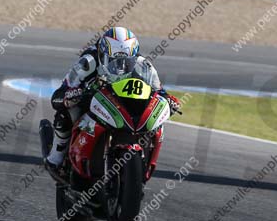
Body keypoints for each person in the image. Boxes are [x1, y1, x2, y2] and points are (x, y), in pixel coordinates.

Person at [44, 27, 181, 180]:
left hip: (123, 104)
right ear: (102, 54)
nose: (120, 67)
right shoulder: (88, 62)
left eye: (126, 62)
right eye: (113, 61)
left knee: (156, 123)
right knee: (65, 115)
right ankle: (55, 159)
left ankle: (144, 162)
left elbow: (159, 91)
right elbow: (58, 95)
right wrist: (70, 95)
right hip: (93, 100)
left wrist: (169, 100)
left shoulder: (143, 65)